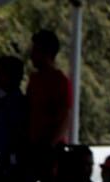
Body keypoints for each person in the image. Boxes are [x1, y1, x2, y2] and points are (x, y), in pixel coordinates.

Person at [26, 28, 75, 156]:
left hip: (50, 150)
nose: (31, 55)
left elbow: (65, 117)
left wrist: (50, 146)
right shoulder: (34, 79)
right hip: (33, 146)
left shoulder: (59, 81)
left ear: (46, 53)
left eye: (35, 51)